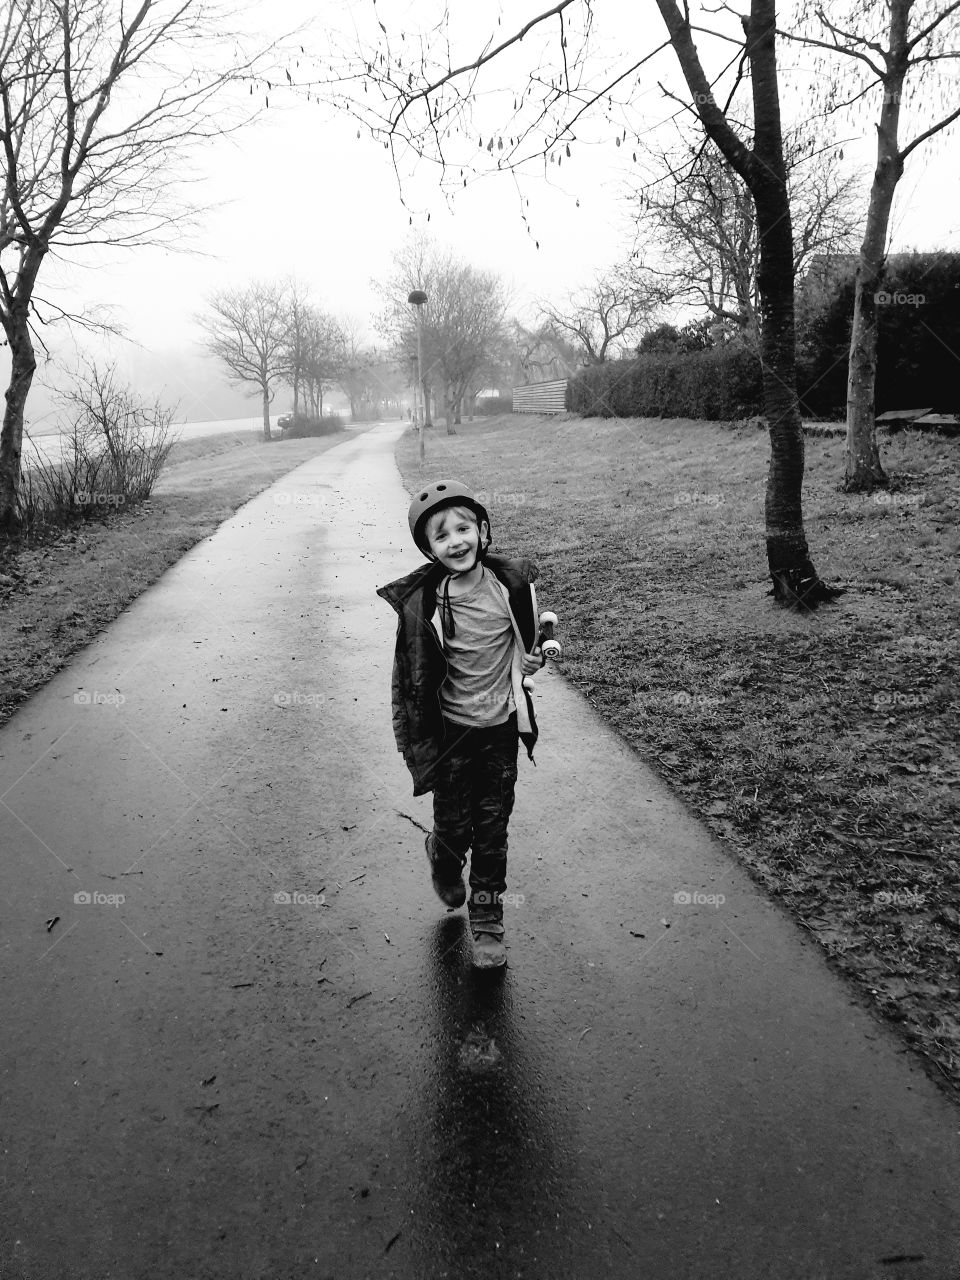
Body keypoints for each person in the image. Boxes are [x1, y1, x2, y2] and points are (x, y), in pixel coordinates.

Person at [376, 480, 546, 969]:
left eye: (463, 528)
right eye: (442, 535)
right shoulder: (425, 604)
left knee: (492, 828)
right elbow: (411, 674)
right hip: (451, 732)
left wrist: (531, 662)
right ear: (430, 549)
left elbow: (528, 641)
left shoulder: (510, 587)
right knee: (455, 824)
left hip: (500, 731)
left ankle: (488, 921)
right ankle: (443, 856)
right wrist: (413, 732)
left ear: (483, 530)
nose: (456, 541)